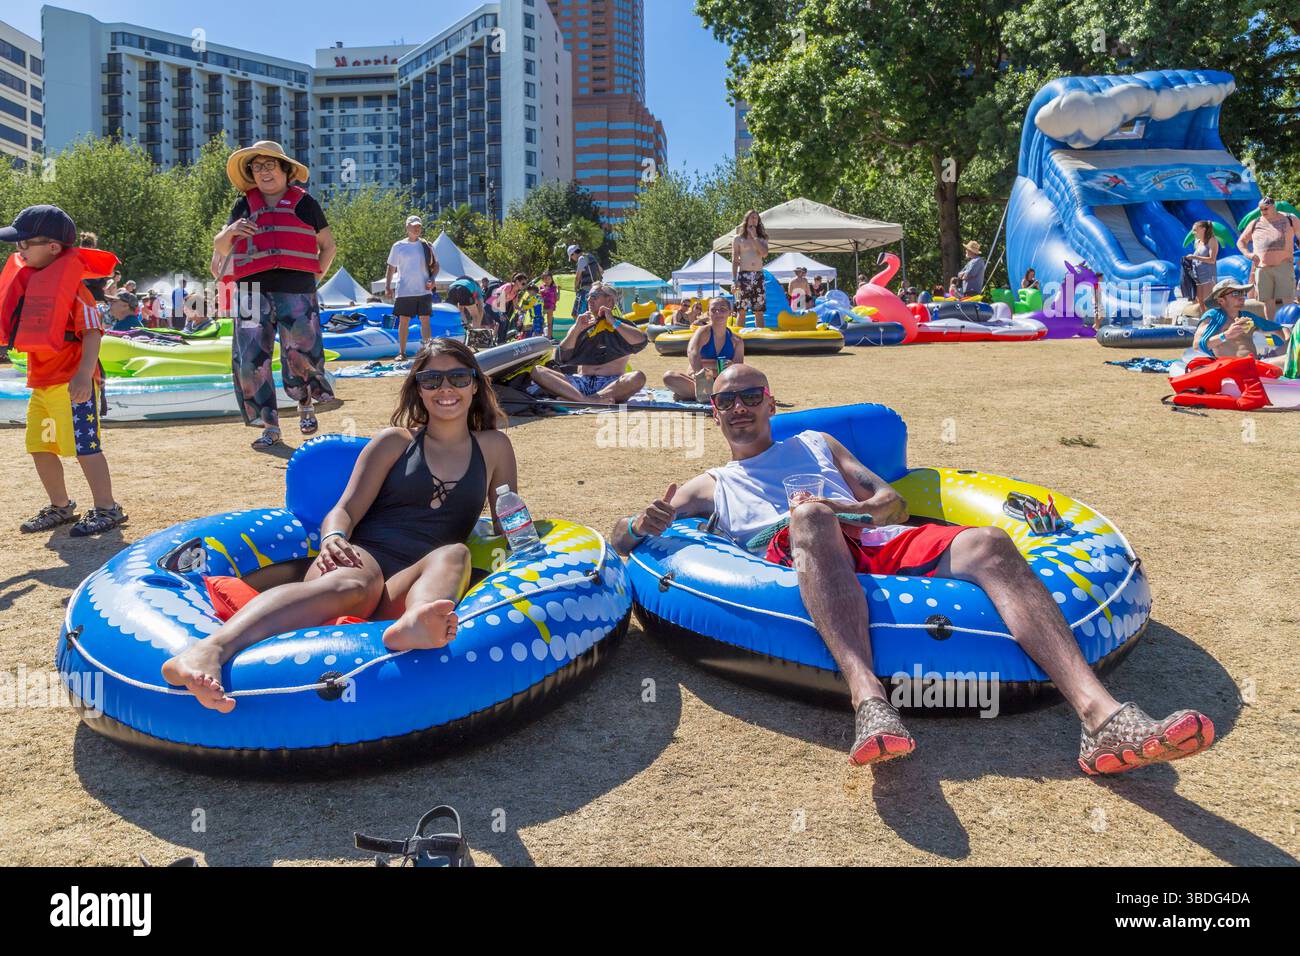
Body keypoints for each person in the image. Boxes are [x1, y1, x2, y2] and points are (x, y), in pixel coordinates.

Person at [613, 363, 1216, 773]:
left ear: (771, 401)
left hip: (868, 534)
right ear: (712, 413)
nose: (739, 407)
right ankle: (870, 701)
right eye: (726, 400)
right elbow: (618, 538)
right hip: (794, 543)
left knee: (989, 543)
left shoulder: (818, 443)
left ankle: (1100, 716)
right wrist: (642, 525)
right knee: (810, 520)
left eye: (750, 396)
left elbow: (892, 502)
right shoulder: (711, 484)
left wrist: (850, 505)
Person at [161, 339, 518, 712]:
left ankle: (417, 623)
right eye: (432, 380)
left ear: (475, 384)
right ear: (418, 388)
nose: (446, 389)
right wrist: (333, 536)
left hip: (413, 581)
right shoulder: (395, 442)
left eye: (458, 377)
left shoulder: (494, 447)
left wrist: (532, 543)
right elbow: (344, 510)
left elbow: (506, 517)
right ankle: (208, 650)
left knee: (455, 553)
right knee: (358, 584)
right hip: (362, 559)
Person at [1, 204, 128, 537]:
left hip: (73, 385)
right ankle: (61, 506)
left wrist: (85, 375)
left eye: (26, 243)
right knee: (40, 446)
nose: (19, 249)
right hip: (41, 384)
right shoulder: (31, 284)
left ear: (54, 247)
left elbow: (92, 333)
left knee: (86, 448)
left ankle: (107, 508)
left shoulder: (74, 289)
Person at [215, 140, 338, 450]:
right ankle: (270, 426)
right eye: (257, 168)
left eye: (270, 166)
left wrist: (314, 277)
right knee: (252, 359)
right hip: (251, 291)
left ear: (285, 170)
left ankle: (305, 404)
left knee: (301, 352)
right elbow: (220, 246)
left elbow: (328, 246)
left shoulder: (305, 203)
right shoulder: (243, 206)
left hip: (297, 287)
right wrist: (230, 232)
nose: (264, 172)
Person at [530, 283, 647, 403]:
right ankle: (585, 399)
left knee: (638, 377)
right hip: (581, 381)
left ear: (610, 301)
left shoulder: (621, 325)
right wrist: (576, 329)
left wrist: (612, 321)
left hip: (610, 384)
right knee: (537, 371)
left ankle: (582, 399)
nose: (589, 299)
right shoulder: (581, 324)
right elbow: (561, 357)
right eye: (588, 296)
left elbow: (641, 341)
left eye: (594, 296)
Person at [663, 297, 746, 402]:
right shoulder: (703, 332)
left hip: (723, 382)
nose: (718, 312)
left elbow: (738, 369)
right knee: (669, 377)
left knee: (747, 381)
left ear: (730, 313)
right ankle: (711, 395)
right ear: (708, 313)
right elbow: (692, 352)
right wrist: (704, 375)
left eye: (723, 309)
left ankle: (694, 395)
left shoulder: (737, 340)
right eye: (713, 309)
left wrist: (709, 364)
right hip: (700, 380)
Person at [1193, 279, 1288, 367]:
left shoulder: (1248, 317)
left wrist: (1289, 343)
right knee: (1289, 360)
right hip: (1232, 367)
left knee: (1295, 346)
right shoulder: (1213, 317)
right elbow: (1197, 346)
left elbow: (1281, 328)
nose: (1242, 298)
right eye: (1235, 293)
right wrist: (1226, 335)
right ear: (1221, 300)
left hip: (1255, 363)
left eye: (1242, 293)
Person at [385, 215, 439, 359]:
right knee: (404, 320)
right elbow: (391, 268)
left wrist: (433, 279)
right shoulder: (398, 246)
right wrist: (387, 286)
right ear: (407, 227)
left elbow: (436, 265)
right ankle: (401, 353)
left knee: (425, 319)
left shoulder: (427, 245)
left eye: (419, 226)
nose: (417, 228)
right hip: (404, 290)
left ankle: (427, 352)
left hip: (424, 289)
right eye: (414, 226)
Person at [1236, 197, 1299, 320]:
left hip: (1283, 266)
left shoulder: (1290, 219)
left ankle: (1289, 330)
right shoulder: (1255, 222)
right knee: (1267, 302)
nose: (1263, 211)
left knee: (1288, 300)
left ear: (1273, 206)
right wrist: (1248, 254)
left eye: (1266, 208)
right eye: (1261, 209)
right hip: (1262, 269)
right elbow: (1241, 241)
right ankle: (1272, 331)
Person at [731, 209, 770, 329]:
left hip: (758, 275)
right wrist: (734, 280)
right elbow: (735, 260)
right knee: (741, 309)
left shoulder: (762, 238)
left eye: (756, 218)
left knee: (759, 310)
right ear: (746, 220)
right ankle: (738, 338)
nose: (754, 219)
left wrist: (754, 237)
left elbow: (764, 254)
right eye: (752, 217)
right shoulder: (738, 238)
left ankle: (760, 338)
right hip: (744, 276)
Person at [1187, 221, 1219, 312]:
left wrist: (1194, 257)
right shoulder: (1198, 242)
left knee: (1208, 302)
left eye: (1195, 230)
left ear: (1203, 229)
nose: (1193, 233)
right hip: (1198, 277)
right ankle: (1204, 323)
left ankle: (1213, 323)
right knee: (1200, 302)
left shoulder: (1212, 240)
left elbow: (1212, 260)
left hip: (1208, 277)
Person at [446, 275, 487, 343]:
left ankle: (463, 328)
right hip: (464, 289)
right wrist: (478, 326)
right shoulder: (477, 287)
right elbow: (480, 308)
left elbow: (461, 308)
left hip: (451, 288)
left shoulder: (460, 282)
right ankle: (474, 338)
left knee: (456, 313)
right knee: (475, 315)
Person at [569, 243, 603, 320]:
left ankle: (581, 331)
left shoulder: (581, 259)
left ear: (573, 254)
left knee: (576, 314)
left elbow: (578, 277)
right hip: (597, 289)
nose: (573, 259)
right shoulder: (590, 256)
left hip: (586, 290)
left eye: (571, 257)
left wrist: (576, 289)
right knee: (593, 314)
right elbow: (601, 271)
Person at [537, 271, 559, 339]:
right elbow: (538, 293)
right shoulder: (541, 287)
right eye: (545, 279)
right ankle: (540, 335)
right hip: (542, 307)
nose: (547, 280)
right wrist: (543, 290)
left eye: (549, 279)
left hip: (550, 306)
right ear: (542, 280)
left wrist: (559, 290)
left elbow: (557, 298)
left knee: (550, 322)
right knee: (541, 321)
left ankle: (549, 337)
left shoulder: (554, 287)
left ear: (551, 279)